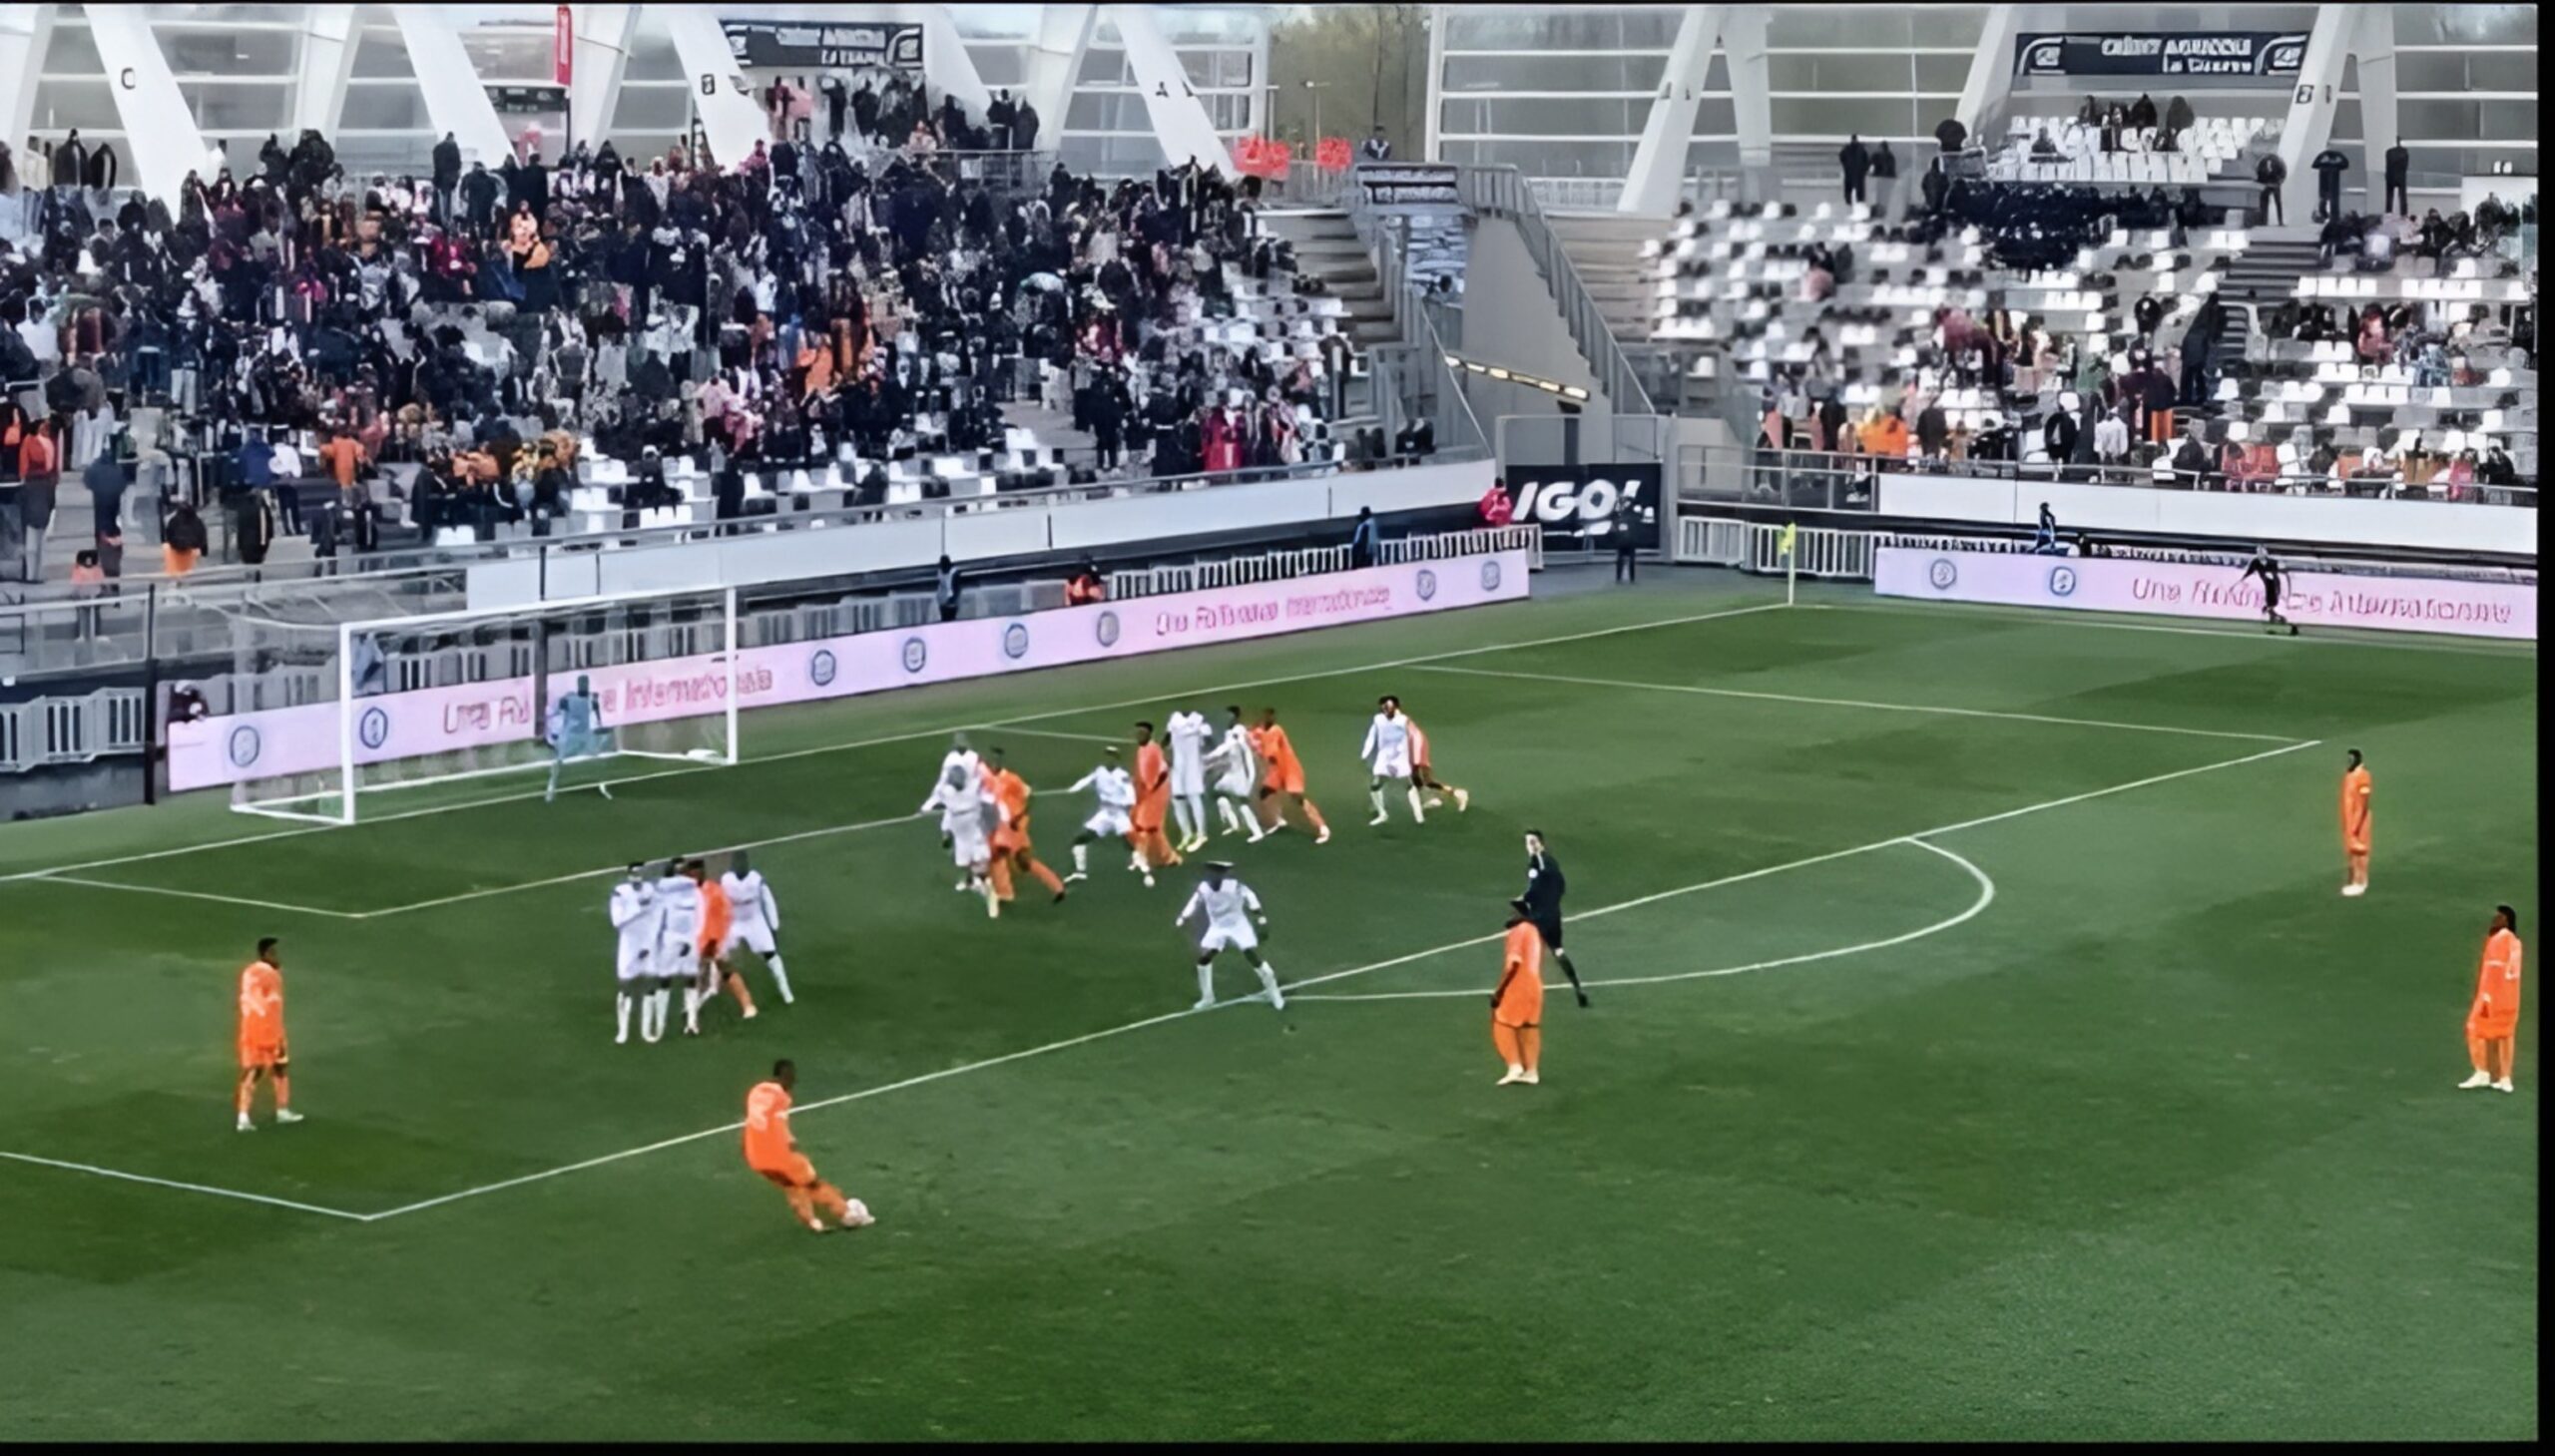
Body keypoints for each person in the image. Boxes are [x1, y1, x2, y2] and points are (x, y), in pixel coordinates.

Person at [744, 1060, 873, 1233]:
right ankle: (847, 1214)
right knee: (814, 1185)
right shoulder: (768, 1090)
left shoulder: (783, 1098)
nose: (793, 1082)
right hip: (779, 1156)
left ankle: (813, 1223)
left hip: (758, 1160)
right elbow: (758, 1111)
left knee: (792, 1186)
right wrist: (761, 1121)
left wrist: (788, 1137)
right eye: (791, 1076)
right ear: (784, 1075)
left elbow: (774, 1121)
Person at [1176, 862, 1283, 1012]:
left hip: (1238, 926)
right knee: (1204, 959)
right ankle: (1208, 998)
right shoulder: (1204, 888)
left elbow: (1251, 897)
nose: (1215, 876)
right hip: (1217, 927)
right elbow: (1194, 902)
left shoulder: (1235, 886)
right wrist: (1183, 916)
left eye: (1220, 873)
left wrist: (1260, 917)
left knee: (1254, 957)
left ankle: (1275, 995)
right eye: (1213, 872)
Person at [980, 747, 1069, 911]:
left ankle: (1057, 886)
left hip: (1014, 825)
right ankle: (1005, 892)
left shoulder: (1011, 779)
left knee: (1023, 861)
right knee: (997, 856)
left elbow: (1030, 796)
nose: (993, 763)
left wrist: (1020, 817)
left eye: (996, 760)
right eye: (990, 760)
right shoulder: (986, 780)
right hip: (997, 825)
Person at [235, 937, 304, 1132]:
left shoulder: (252, 972)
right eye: (274, 953)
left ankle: (279, 1110)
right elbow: (258, 1002)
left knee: (278, 1068)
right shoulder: (266, 974)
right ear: (265, 954)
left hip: (259, 1029)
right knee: (256, 1071)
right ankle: (244, 1116)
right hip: (264, 1031)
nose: (277, 956)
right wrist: (268, 1031)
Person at [919, 755, 1000, 914]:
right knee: (964, 861)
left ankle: (987, 888)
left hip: (973, 827)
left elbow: (986, 796)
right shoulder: (950, 792)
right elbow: (941, 803)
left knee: (979, 858)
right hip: (960, 829)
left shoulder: (973, 788)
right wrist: (928, 810)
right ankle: (972, 881)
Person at [1521, 829, 1591, 1007]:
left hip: (1540, 916)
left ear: (1541, 843)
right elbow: (1560, 884)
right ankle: (1578, 989)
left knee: (1527, 953)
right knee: (1558, 950)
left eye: (1533, 842)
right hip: (1553, 914)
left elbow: (1536, 887)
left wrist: (1524, 900)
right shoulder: (1551, 861)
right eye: (1528, 842)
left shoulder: (1538, 861)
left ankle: (1524, 997)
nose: (1530, 846)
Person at [2458, 905, 2523, 1093]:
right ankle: (2505, 1079)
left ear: (2506, 921)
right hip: (2511, 998)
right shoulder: (2516, 943)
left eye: (2500, 917)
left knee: (2473, 1029)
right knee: (2506, 1036)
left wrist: (2486, 996)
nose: (2495, 920)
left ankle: (2482, 1073)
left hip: (2493, 997)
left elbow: (2493, 971)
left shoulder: (2497, 941)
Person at [1251, 707, 1330, 843]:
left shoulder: (1276, 731)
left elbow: (1270, 753)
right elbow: (1254, 735)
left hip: (1289, 769)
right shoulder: (1264, 731)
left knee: (1298, 798)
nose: (1265, 719)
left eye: (1268, 716)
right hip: (1277, 770)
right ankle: (1278, 820)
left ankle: (1322, 828)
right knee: (1264, 792)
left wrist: (1257, 747)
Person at [1490, 899, 1547, 1086]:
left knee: (1502, 1023)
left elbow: (1513, 964)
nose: (1511, 912)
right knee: (1529, 1027)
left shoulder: (1518, 931)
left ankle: (1514, 1067)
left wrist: (1500, 990)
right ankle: (1532, 1071)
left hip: (1518, 985)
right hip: (1535, 986)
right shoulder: (1535, 931)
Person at [1065, 744, 1142, 882]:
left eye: (1111, 756)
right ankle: (1080, 871)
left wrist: (1120, 803)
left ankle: (1142, 866)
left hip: (1119, 814)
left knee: (1129, 842)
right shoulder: (1100, 771)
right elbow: (1087, 780)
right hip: (1105, 814)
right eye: (1107, 755)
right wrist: (1072, 789)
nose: (1108, 759)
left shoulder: (1122, 776)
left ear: (1116, 759)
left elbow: (1131, 797)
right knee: (1079, 840)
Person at [651, 857, 708, 1036]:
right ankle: (660, 1023)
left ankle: (691, 1023)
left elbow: (701, 917)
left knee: (690, 979)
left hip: (689, 938)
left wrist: (694, 939)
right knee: (665, 980)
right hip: (670, 938)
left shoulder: (694, 893)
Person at [610, 863, 662, 1045]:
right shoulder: (620, 893)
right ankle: (623, 1030)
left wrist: (650, 943)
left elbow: (657, 917)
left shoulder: (651, 890)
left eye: (641, 872)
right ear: (629, 875)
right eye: (635, 873)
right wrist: (636, 910)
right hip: (629, 945)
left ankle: (646, 1031)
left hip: (647, 943)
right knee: (625, 984)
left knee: (650, 984)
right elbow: (617, 922)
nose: (638, 876)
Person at [544, 674, 614, 802]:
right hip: (569, 735)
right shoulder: (569, 698)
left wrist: (600, 723)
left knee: (598, 761)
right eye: (582, 684)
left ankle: (603, 787)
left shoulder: (591, 698)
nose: (584, 686)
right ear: (578, 685)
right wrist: (553, 732)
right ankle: (551, 787)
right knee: (558, 762)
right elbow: (556, 711)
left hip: (585, 735)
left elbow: (597, 711)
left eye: (586, 684)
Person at [1358, 694, 1424, 826]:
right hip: (1384, 760)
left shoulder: (1403, 721)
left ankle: (1419, 815)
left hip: (1399, 759)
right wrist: (1365, 753)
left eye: (1388, 706)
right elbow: (1372, 736)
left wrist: (1414, 756)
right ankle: (1382, 814)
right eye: (1383, 707)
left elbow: (1415, 736)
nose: (1385, 709)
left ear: (1395, 707)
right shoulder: (1378, 719)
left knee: (1409, 785)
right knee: (1375, 785)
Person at [1204, 706, 1264, 842]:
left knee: (1243, 803)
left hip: (1239, 774)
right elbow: (1228, 755)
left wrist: (1208, 758)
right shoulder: (1229, 730)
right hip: (1230, 772)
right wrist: (1212, 765)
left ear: (1235, 716)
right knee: (1217, 793)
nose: (1226, 717)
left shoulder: (1238, 731)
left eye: (1229, 715)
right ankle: (1233, 823)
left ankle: (1257, 832)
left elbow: (1233, 749)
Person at [1130, 721, 1181, 881]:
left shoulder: (1153, 750)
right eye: (1138, 733)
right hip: (1146, 792)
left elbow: (1164, 772)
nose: (1139, 736)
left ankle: (1141, 858)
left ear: (1149, 734)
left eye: (1142, 733)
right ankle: (1170, 858)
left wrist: (1152, 789)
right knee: (1152, 828)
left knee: (1145, 827)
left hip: (1156, 794)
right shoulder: (1141, 749)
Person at [1166, 707, 1213, 854]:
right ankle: (1186, 833)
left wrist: (1206, 756)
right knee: (1177, 798)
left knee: (1194, 797)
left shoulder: (1199, 721)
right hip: (1178, 765)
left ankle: (1201, 834)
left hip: (1193, 765)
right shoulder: (1174, 719)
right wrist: (1164, 753)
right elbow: (1167, 739)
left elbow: (1210, 741)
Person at [1404, 709, 1469, 812]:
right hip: (1414, 745)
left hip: (1416, 745)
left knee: (1416, 775)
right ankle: (1451, 795)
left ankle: (1447, 795)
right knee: (1423, 778)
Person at [2238, 546, 2299, 635]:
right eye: (2258, 552)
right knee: (2270, 607)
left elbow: (2284, 573)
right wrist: (2242, 580)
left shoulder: (2273, 562)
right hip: (2268, 587)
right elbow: (2248, 572)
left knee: (2276, 607)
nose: (2259, 554)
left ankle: (2289, 626)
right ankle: (2275, 625)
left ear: (2266, 553)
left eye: (2261, 552)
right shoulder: (2255, 562)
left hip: (2276, 587)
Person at [2337, 748, 2372, 898]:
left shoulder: (2363, 776)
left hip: (2359, 819)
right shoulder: (2349, 775)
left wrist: (2356, 823)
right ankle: (2353, 879)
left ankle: (2361, 881)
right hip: (2349, 818)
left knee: (2360, 850)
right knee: (2351, 850)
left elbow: (2363, 802)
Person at [2310, 146, 2349, 224]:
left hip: (2331, 185)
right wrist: (2334, 163)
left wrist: (2325, 162)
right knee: (2325, 201)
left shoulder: (2325, 157)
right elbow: (2314, 165)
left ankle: (2332, 219)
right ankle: (2327, 217)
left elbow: (2346, 164)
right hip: (2326, 184)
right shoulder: (2326, 157)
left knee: (2331, 202)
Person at [1612, 490, 1643, 583]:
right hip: (1623, 540)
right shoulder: (1620, 511)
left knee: (1629, 560)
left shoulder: (1631, 511)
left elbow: (1637, 520)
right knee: (1621, 560)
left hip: (1629, 540)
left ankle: (1629, 578)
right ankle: (1620, 578)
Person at [2254, 152, 2287, 226]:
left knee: (2264, 203)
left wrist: (2260, 182)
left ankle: (2264, 221)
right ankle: (2280, 221)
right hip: (2275, 184)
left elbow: (2257, 172)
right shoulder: (2278, 161)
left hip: (2266, 184)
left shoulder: (2262, 161)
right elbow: (2284, 172)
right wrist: (2280, 181)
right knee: (2277, 203)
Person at [1838, 134, 1870, 207]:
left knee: (1849, 186)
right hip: (1858, 171)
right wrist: (1865, 168)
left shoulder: (1847, 148)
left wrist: (1845, 165)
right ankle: (1859, 200)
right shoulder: (1861, 149)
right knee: (1859, 187)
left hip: (1850, 170)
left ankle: (1849, 200)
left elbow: (1841, 157)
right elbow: (1866, 160)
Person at [2382, 139, 2410, 217]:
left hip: (2391, 176)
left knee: (2390, 195)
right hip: (2401, 176)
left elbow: (2387, 166)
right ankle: (2403, 213)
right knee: (2402, 196)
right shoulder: (2404, 153)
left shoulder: (2389, 152)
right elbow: (2405, 166)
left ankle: (2389, 211)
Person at [934, 554, 961, 622]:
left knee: (950, 620)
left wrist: (953, 599)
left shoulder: (954, 573)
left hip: (951, 602)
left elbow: (957, 588)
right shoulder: (940, 572)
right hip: (943, 601)